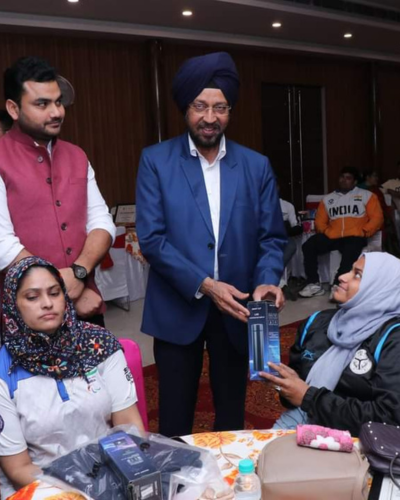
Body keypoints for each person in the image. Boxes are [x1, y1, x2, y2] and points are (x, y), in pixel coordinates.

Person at [136, 51, 286, 437]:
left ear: (230, 111)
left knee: (232, 414)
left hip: (238, 308)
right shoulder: (155, 161)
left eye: (220, 107)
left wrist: (268, 279)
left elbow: (271, 237)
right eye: (200, 106)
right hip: (177, 304)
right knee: (174, 416)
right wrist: (206, 285)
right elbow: (152, 238)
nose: (210, 117)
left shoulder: (256, 165)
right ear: (185, 109)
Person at [0, 256, 144, 498]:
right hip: (41, 488)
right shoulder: (5, 371)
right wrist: (81, 491)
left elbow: (129, 426)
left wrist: (114, 483)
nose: (47, 303)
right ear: (12, 306)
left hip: (111, 476)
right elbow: (18, 469)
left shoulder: (98, 345)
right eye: (32, 297)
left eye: (54, 293)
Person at [0, 56, 116, 325]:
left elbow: (101, 222)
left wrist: (79, 272)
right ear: (13, 109)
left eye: (58, 102)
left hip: (86, 308)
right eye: (42, 104)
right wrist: (63, 290)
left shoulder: (77, 155)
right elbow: (3, 243)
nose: (56, 112)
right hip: (25, 318)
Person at [260, 252, 400, 437]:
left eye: (357, 275)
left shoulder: (392, 339)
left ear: (380, 289)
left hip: (358, 439)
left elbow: (388, 418)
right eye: (350, 270)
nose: (342, 276)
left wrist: (309, 397)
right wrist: (285, 385)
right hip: (299, 419)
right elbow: (294, 398)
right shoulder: (317, 322)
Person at [299, 166, 383, 298]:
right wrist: (326, 232)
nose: (344, 180)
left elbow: (377, 218)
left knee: (350, 249)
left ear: (355, 181)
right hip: (333, 236)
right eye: (342, 177)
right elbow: (320, 221)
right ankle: (313, 283)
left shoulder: (367, 196)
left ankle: (338, 284)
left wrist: (364, 231)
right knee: (308, 245)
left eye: (348, 178)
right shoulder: (328, 199)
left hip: (355, 235)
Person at [279, 195, 303, 301]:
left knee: (291, 246)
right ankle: (279, 283)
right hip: (261, 237)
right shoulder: (257, 202)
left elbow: (295, 226)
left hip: (281, 237)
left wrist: (286, 230)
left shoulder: (287, 205)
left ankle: (275, 276)